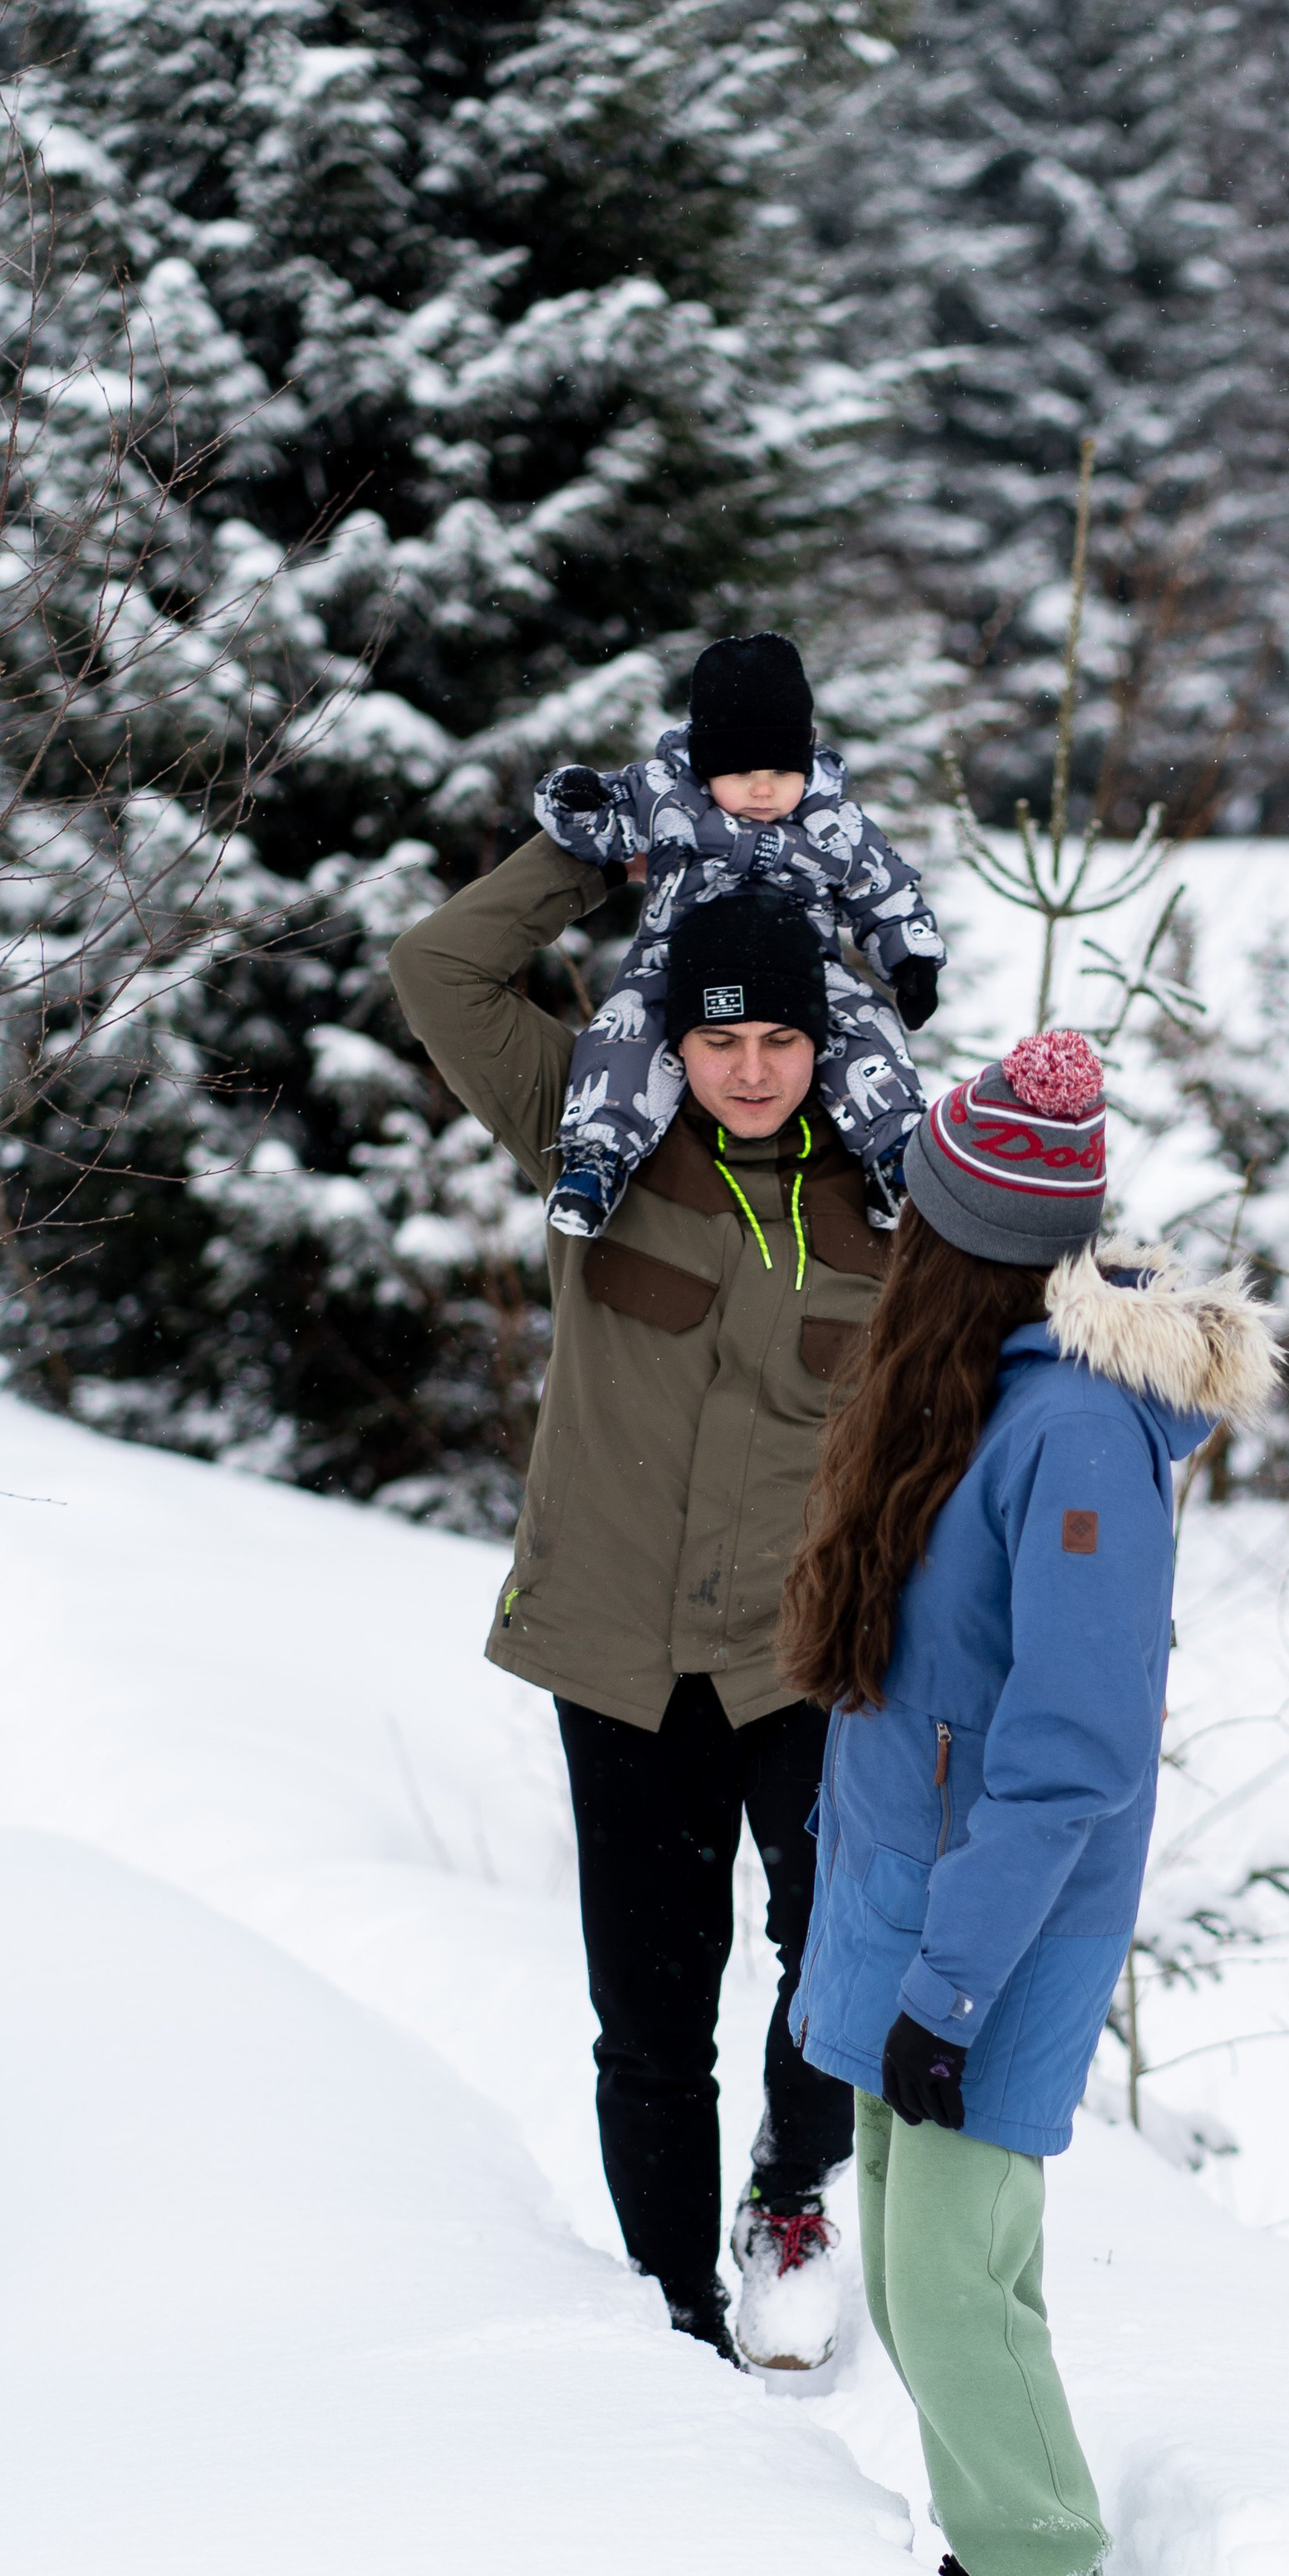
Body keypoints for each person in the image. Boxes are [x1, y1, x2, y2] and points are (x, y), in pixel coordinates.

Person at [778, 1031, 1275, 2576]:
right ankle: (998, 2557)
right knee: (924, 2287)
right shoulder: (965, 1388)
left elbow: (1067, 1756)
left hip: (994, 1926)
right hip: (918, 1901)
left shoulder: (1070, 1438)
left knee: (946, 2277)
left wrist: (951, 1984)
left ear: (965, 1246)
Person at [390, 845, 880, 2370]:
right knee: (653, 2014)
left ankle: (792, 2190)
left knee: (839, 1951)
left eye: (779, 1041)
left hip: (803, 1650)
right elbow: (439, 970)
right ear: (674, 1042)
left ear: (824, 1041)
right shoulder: (592, 1127)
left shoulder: (888, 1184)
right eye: (720, 1041)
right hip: (618, 1649)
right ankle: (676, 2311)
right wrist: (594, 849)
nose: (749, 1071)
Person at [532, 632, 945, 1239]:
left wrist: (911, 961)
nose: (762, 789)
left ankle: (894, 1158)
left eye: (781, 770)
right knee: (626, 1031)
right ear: (705, 762)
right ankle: (598, 1157)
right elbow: (602, 822)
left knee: (865, 1027)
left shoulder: (835, 822)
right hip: (675, 955)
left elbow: (884, 888)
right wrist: (578, 802)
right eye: (742, 771)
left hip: (803, 961)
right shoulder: (666, 798)